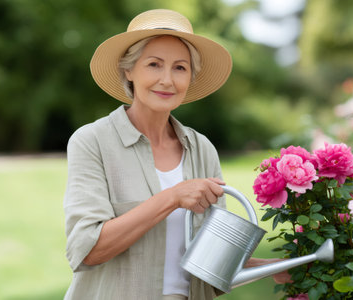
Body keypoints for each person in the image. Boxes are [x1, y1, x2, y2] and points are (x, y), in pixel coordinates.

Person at [64, 8, 288, 300]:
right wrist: (172, 198)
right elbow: (88, 250)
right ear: (128, 70)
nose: (167, 80)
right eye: (154, 64)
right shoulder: (92, 141)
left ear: (190, 77)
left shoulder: (202, 149)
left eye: (180, 68)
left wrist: (276, 268)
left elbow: (211, 265)